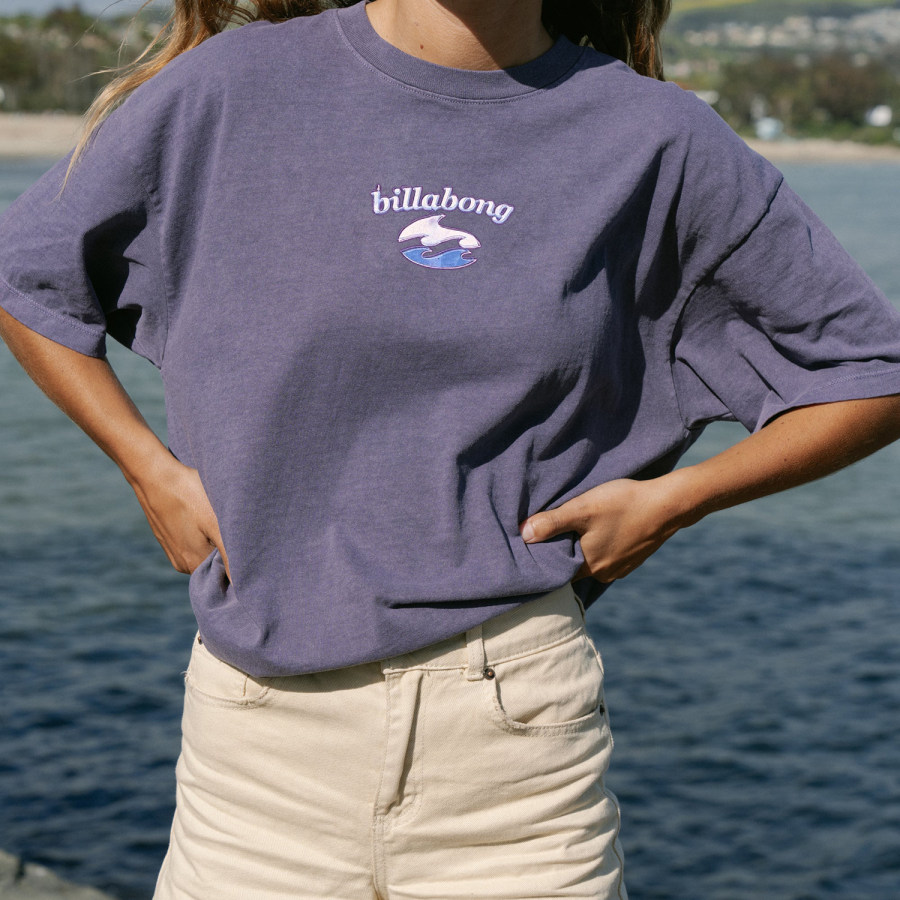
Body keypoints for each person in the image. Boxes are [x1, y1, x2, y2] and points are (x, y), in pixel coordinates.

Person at [1, 0, 900, 897]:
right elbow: (29, 276)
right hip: (255, 745)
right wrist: (145, 467)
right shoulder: (233, 90)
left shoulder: (656, 138)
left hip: (517, 756)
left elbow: (871, 370)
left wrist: (677, 498)